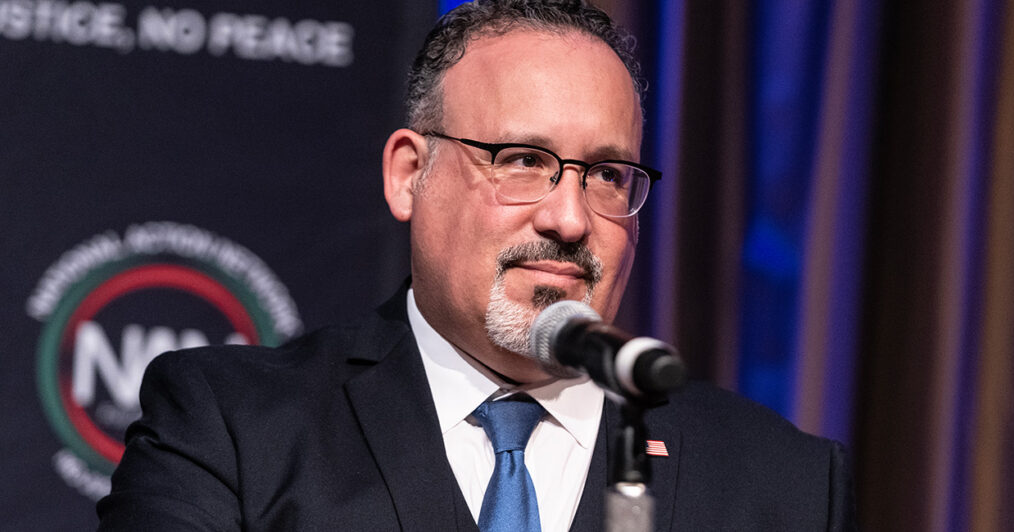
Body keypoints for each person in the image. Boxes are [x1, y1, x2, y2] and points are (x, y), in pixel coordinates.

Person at [98, 1, 856, 530]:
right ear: (408, 175)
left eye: (607, 175)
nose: (568, 217)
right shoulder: (233, 428)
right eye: (522, 160)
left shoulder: (783, 484)